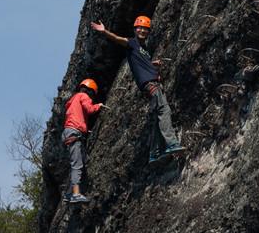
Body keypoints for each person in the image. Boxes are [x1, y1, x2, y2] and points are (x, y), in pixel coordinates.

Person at [90, 16, 185, 164]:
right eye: (139, 28)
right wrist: (104, 32)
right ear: (135, 30)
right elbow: (117, 39)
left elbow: (142, 62)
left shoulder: (144, 49)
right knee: (164, 110)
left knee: (156, 116)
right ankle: (171, 143)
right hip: (150, 84)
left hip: (151, 82)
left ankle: (154, 152)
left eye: (145, 29)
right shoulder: (132, 44)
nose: (142, 30)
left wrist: (153, 63)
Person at [62, 78, 103, 204]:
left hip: (70, 132)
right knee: (77, 165)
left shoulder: (73, 100)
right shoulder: (83, 96)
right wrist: (98, 106)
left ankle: (69, 193)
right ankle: (75, 194)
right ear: (90, 91)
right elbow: (89, 109)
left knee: (81, 161)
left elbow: (77, 117)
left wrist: (84, 130)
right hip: (74, 133)